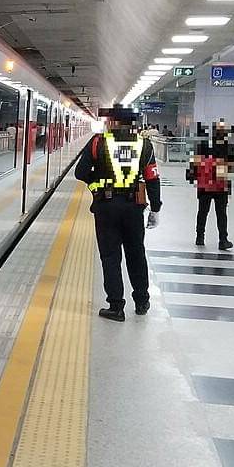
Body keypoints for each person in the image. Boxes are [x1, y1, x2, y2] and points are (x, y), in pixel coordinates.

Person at [75, 103, 162, 322]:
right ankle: (142, 301)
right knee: (136, 254)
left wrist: (97, 186)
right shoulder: (145, 145)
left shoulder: (98, 142)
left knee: (110, 256)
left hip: (106, 208)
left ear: (111, 122)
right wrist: (155, 208)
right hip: (134, 209)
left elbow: (81, 172)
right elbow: (152, 179)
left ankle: (116, 307)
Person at [187, 120, 234, 250]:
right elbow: (231, 168)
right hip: (220, 185)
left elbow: (194, 163)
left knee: (202, 212)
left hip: (204, 184)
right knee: (221, 214)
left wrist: (194, 177)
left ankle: (200, 237)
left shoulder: (202, 145)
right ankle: (223, 240)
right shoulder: (227, 147)